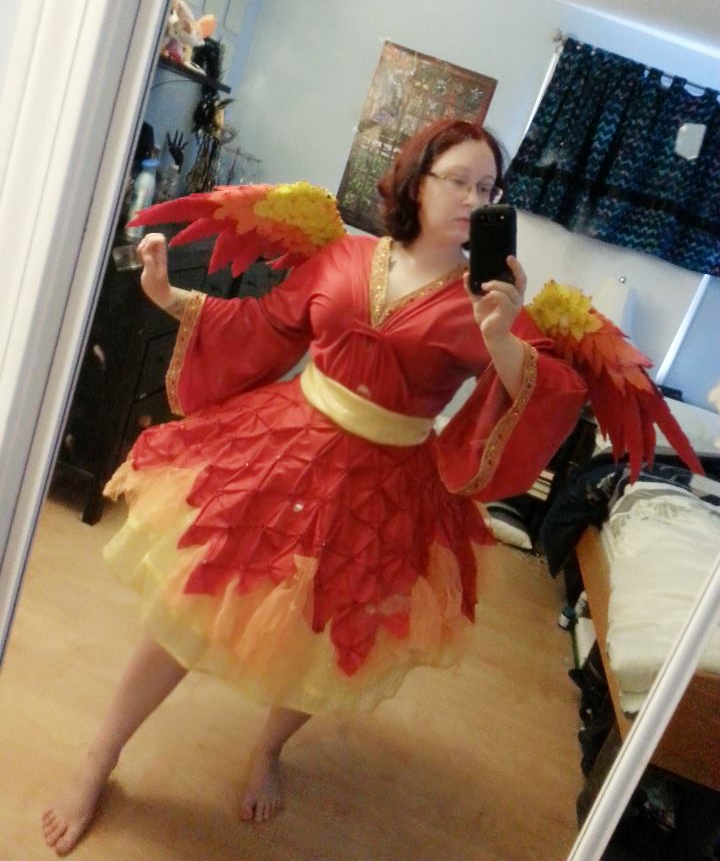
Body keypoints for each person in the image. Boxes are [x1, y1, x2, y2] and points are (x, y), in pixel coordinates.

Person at [42, 118, 587, 854]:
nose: (473, 198)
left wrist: (500, 336)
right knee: (187, 608)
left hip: (387, 489)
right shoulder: (344, 253)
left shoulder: (492, 299)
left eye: (487, 188)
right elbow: (266, 325)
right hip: (283, 448)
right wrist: (169, 295)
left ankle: (268, 749)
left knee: (325, 638)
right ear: (416, 181)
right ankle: (99, 758)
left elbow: (543, 398)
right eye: (458, 180)